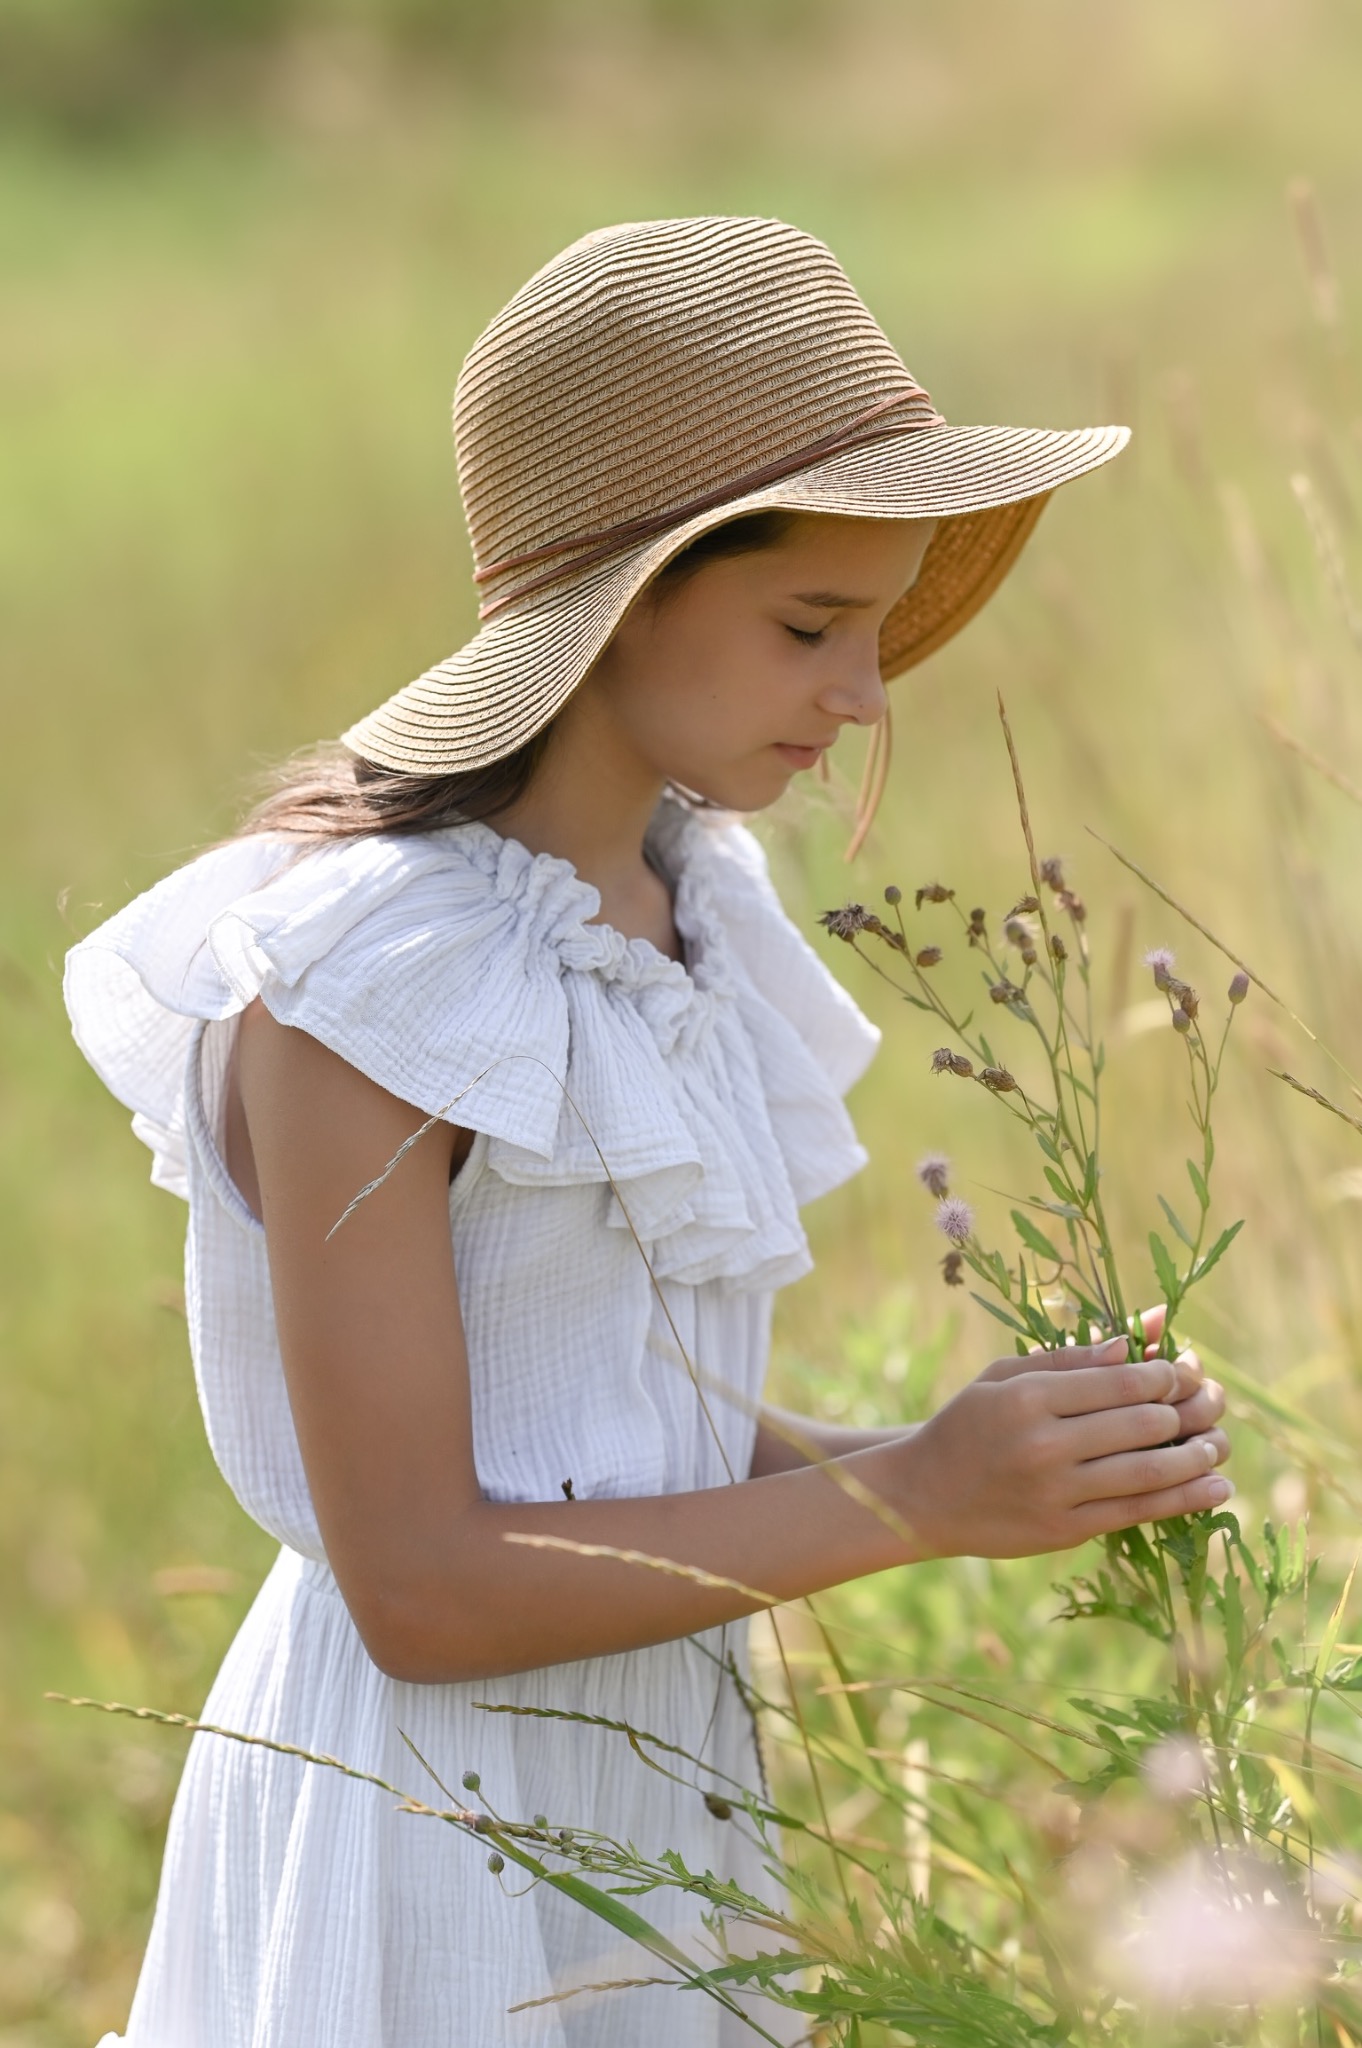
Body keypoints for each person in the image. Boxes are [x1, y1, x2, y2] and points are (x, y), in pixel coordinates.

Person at [66, 216, 1231, 2047]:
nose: (864, 697)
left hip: (654, 1783)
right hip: (431, 1820)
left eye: (877, 627)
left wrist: (999, 1462)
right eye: (809, 627)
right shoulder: (364, 980)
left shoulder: (684, 901)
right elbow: (427, 1589)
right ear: (622, 595)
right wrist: (908, 1501)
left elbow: (612, 1403)